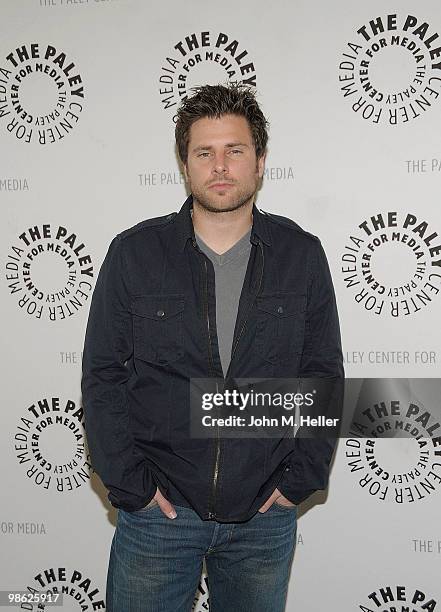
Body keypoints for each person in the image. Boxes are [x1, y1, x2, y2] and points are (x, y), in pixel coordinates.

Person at [81, 83, 344, 612]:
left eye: (235, 150)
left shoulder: (301, 254)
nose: (220, 166)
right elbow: (103, 375)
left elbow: (322, 376)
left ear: (260, 160)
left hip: (263, 518)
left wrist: (298, 483)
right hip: (159, 514)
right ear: (185, 164)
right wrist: (132, 489)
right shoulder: (134, 253)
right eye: (205, 152)